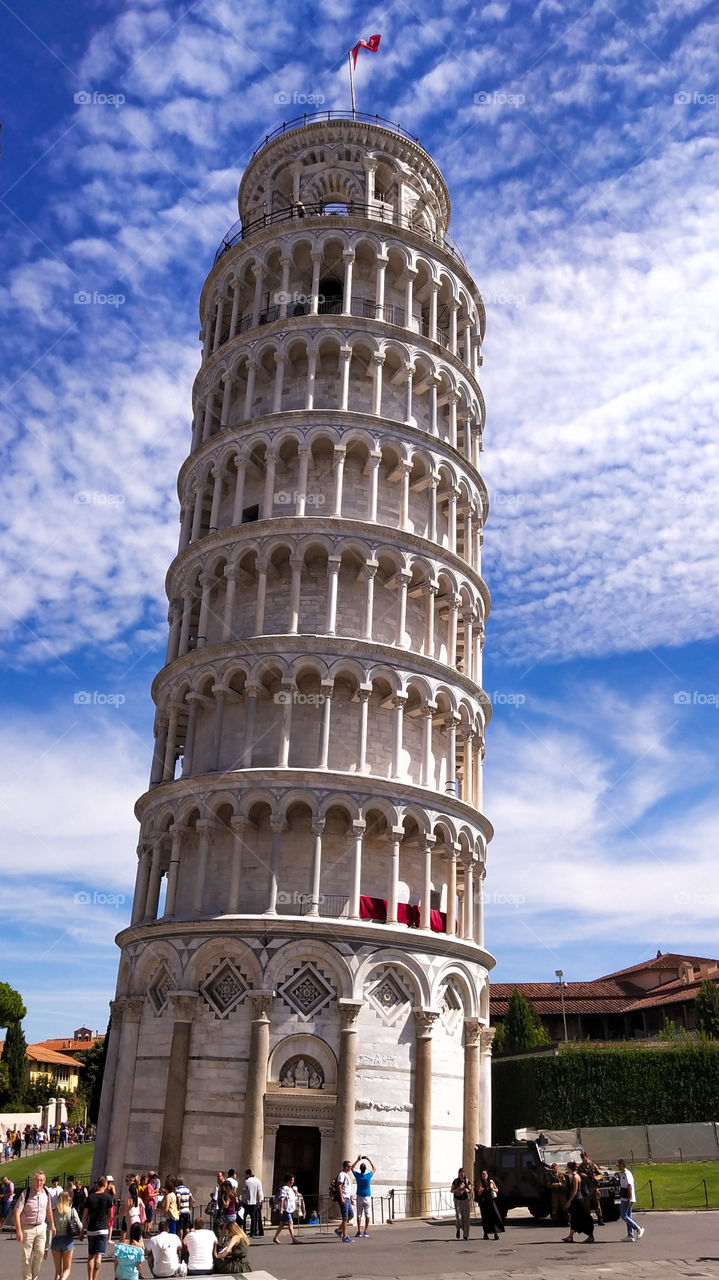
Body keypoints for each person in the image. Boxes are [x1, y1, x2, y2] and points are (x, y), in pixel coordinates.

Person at [14, 1171, 55, 1280]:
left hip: (41, 1227)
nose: (39, 1183)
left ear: (44, 1181)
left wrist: (52, 1224)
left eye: (41, 1180)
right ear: (33, 1181)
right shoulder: (26, 1193)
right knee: (26, 1255)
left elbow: (48, 1209)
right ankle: (27, 1278)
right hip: (27, 1227)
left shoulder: (46, 1192)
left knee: (40, 1252)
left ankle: (34, 1276)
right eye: (37, 1180)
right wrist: (18, 1230)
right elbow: (17, 1212)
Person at [82, 1175, 115, 1280]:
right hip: (102, 1229)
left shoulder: (90, 1197)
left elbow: (84, 1216)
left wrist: (82, 1230)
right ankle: (95, 1278)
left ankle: (90, 1278)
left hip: (91, 1229)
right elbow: (111, 1215)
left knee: (91, 1255)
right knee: (98, 1256)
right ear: (105, 1184)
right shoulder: (108, 1198)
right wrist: (106, 1222)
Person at [50, 1190, 83, 1280]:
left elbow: (49, 1227)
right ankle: (63, 1278)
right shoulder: (72, 1211)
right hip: (68, 1240)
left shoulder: (54, 1212)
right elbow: (80, 1226)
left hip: (56, 1240)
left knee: (57, 1271)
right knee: (67, 1269)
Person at [562, 1161, 595, 1244]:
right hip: (576, 1200)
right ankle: (570, 1236)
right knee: (574, 1218)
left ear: (569, 1168)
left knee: (582, 1218)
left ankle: (590, 1236)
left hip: (577, 1200)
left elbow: (575, 1191)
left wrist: (569, 1201)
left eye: (567, 1168)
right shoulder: (574, 1176)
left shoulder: (575, 1177)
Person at [617, 1159, 645, 1243]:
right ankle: (630, 1235)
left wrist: (629, 1199)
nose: (618, 1166)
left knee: (623, 1216)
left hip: (627, 1198)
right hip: (624, 1197)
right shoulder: (623, 1174)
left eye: (618, 1165)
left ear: (622, 1165)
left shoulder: (627, 1174)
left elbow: (629, 1186)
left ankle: (638, 1228)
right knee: (628, 1216)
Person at [351, 1154, 375, 1238]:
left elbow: (352, 1168)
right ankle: (365, 1231)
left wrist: (358, 1160)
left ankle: (359, 1231)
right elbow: (374, 1168)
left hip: (359, 1196)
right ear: (365, 1169)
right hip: (367, 1196)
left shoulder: (358, 1176)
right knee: (367, 1214)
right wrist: (368, 1159)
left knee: (359, 1214)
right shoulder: (368, 1176)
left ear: (360, 1169)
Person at [476, 1169, 504, 1240]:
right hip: (484, 1202)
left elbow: (497, 1190)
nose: (484, 1175)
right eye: (482, 1174)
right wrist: (481, 1190)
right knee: (485, 1218)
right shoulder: (480, 1182)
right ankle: (485, 1233)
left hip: (491, 1201)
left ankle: (495, 1233)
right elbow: (478, 1193)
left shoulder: (491, 1182)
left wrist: (492, 1189)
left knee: (494, 1216)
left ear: (487, 1175)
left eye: (485, 1174)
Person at [578, 1150, 604, 1225]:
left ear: (587, 1157)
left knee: (597, 1205)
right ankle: (588, 1220)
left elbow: (600, 1174)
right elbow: (577, 1174)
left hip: (594, 1187)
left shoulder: (592, 1165)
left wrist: (596, 1178)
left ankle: (600, 1218)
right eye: (581, 1157)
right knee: (587, 1205)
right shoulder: (581, 1167)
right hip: (586, 1188)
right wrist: (581, 1174)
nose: (583, 1159)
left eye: (584, 1157)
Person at [271, 1175, 297, 1245]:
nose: (293, 1181)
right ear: (288, 1181)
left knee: (282, 1224)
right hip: (286, 1209)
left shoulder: (290, 1189)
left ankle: (275, 1237)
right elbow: (282, 1199)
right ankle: (293, 1239)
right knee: (290, 1223)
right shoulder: (284, 1188)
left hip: (289, 1209)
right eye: (292, 1180)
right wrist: (281, 1209)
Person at [334, 1161, 353, 1243]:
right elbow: (339, 1185)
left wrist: (351, 1197)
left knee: (351, 1215)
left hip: (347, 1198)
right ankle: (345, 1236)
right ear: (345, 1167)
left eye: (350, 1166)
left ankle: (339, 1230)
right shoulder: (342, 1174)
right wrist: (341, 1198)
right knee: (345, 1218)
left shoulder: (346, 1175)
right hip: (344, 1198)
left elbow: (347, 1187)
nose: (350, 1168)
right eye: (348, 1166)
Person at [451, 1167, 471, 1241]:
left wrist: (466, 1190)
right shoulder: (455, 1181)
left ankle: (466, 1235)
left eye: (462, 1174)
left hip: (465, 1200)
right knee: (459, 1217)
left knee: (466, 1218)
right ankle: (458, 1229)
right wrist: (458, 1189)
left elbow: (470, 1190)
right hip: (457, 1200)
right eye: (460, 1174)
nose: (461, 1175)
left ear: (464, 1174)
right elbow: (451, 1190)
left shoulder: (467, 1181)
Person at [242, 1171, 263, 1238]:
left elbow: (244, 1192)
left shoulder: (247, 1181)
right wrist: (258, 1201)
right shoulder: (257, 1181)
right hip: (254, 1202)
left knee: (244, 1216)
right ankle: (252, 1232)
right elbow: (258, 1192)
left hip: (247, 1202)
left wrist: (243, 1199)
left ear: (248, 1175)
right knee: (253, 1217)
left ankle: (244, 1230)